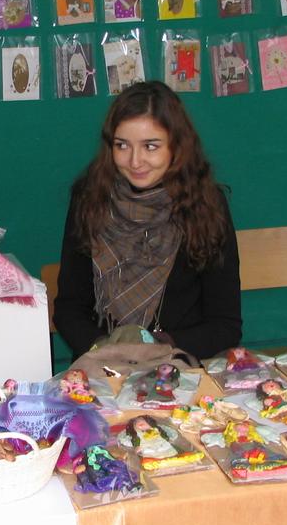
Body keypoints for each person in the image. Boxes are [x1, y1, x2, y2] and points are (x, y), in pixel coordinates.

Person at [53, 80, 241, 360]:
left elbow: (225, 325)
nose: (135, 161)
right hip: (104, 366)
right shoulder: (90, 199)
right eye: (122, 145)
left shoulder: (205, 204)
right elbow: (69, 309)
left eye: (150, 146)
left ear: (176, 146)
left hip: (178, 365)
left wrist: (158, 346)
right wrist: (106, 349)